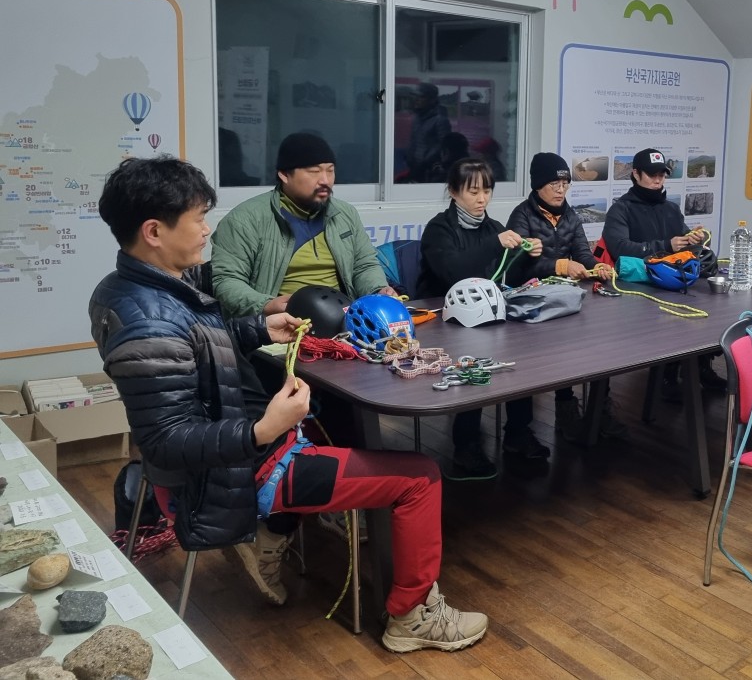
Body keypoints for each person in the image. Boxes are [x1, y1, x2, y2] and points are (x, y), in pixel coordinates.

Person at [88, 156, 487, 654]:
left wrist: (256, 328)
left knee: (337, 423)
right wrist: (263, 429)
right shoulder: (149, 323)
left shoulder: (138, 289)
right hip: (237, 473)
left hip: (238, 455)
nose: (206, 230)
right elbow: (167, 441)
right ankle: (412, 616)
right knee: (420, 476)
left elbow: (194, 347)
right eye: (197, 219)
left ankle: (275, 536)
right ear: (153, 231)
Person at [415, 157, 546, 476]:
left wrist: (529, 254)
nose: (482, 199)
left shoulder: (493, 227)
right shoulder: (439, 229)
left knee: (522, 355)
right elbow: (452, 272)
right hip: (446, 321)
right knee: (472, 359)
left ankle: (518, 433)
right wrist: (494, 244)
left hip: (486, 315)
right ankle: (466, 445)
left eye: (487, 191)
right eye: (473, 192)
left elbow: (508, 274)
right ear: (453, 191)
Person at [210, 132, 396, 318]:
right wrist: (266, 304)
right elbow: (227, 281)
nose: (325, 180)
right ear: (284, 174)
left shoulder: (345, 214)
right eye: (314, 172)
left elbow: (364, 265)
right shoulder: (245, 220)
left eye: (330, 170)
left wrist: (378, 289)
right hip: (282, 323)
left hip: (343, 320)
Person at [505, 152, 619, 443]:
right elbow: (516, 269)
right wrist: (560, 266)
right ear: (538, 185)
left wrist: (596, 267)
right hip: (529, 306)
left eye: (565, 184)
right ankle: (531, 426)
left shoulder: (570, 214)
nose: (560, 190)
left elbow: (581, 253)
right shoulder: (521, 216)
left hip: (562, 299)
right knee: (539, 357)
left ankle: (594, 410)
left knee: (597, 341)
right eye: (554, 184)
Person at [601, 147, 720, 399]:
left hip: (672, 281)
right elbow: (619, 248)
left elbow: (682, 243)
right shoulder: (621, 209)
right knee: (671, 317)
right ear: (635, 174)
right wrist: (665, 245)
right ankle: (666, 376)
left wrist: (693, 239)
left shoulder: (671, 209)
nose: (658, 180)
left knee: (709, 307)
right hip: (638, 287)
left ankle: (700, 367)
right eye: (652, 174)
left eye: (662, 175)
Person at [404, 83, 452, 183]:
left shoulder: (440, 120)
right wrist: (409, 158)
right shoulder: (417, 118)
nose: (416, 99)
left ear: (432, 99)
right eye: (415, 96)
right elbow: (414, 141)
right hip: (415, 168)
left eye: (421, 97)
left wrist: (425, 162)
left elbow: (443, 145)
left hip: (430, 172)